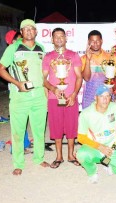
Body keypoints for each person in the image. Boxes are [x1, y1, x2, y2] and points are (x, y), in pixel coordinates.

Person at [0, 19, 49, 175]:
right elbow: (0, 69)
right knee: (18, 131)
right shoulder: (13, 48)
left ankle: (39, 158)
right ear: (21, 32)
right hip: (19, 97)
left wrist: (46, 92)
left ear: (36, 31)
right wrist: (17, 83)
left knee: (39, 130)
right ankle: (18, 163)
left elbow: (43, 74)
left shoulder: (41, 48)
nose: (29, 31)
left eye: (31, 28)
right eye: (25, 29)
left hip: (39, 96)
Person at [76, 84, 116, 183]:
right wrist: (100, 147)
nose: (105, 99)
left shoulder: (115, 108)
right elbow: (81, 138)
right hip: (95, 147)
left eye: (107, 96)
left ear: (111, 97)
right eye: (101, 96)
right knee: (81, 155)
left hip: (113, 147)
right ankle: (92, 173)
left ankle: (109, 165)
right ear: (95, 98)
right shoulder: (85, 114)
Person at [42, 28, 83, 168]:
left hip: (71, 96)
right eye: (56, 37)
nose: (59, 39)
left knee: (71, 126)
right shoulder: (48, 57)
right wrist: (53, 89)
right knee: (56, 126)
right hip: (54, 98)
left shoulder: (74, 55)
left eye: (61, 36)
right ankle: (59, 156)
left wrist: (74, 94)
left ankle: (71, 155)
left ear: (66, 39)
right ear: (52, 40)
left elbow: (79, 77)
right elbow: (44, 79)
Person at [81, 30, 116, 109]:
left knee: (109, 120)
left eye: (97, 41)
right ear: (88, 42)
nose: (95, 43)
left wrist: (113, 88)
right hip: (90, 96)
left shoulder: (110, 57)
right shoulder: (83, 58)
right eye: (92, 41)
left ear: (101, 41)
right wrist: (88, 60)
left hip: (107, 95)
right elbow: (86, 78)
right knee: (91, 120)